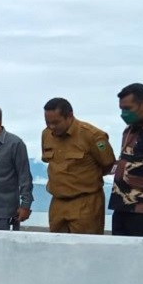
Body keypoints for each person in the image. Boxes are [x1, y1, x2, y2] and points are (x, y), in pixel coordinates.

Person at [42, 98, 116, 234]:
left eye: (56, 122)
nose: (51, 127)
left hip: (86, 202)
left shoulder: (93, 136)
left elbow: (108, 164)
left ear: (69, 116)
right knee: (56, 249)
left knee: (86, 249)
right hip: (57, 202)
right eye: (48, 123)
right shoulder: (46, 135)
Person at [109, 83, 143, 237]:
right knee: (120, 256)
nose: (123, 113)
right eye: (121, 109)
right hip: (121, 206)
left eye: (128, 108)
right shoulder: (130, 130)